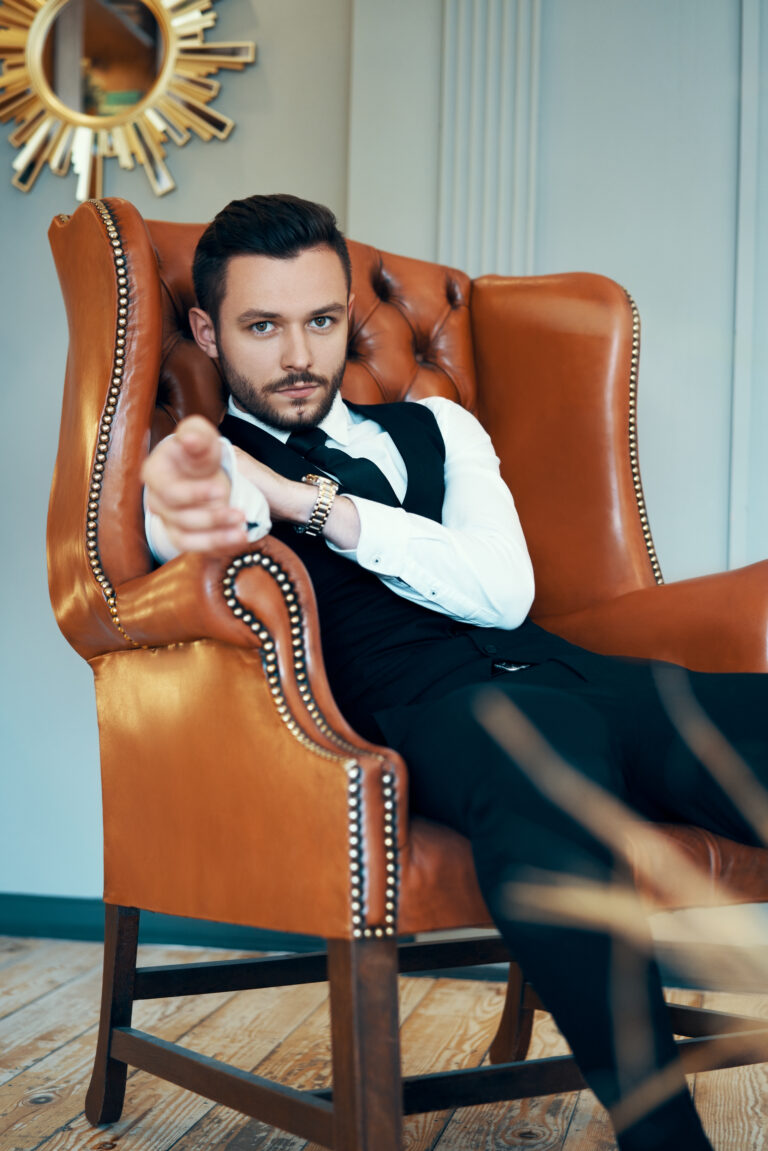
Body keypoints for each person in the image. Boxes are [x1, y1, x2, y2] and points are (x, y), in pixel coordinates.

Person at [143, 193, 767, 1151]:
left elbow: (502, 589)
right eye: (261, 327)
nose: (299, 356)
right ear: (207, 330)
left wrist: (308, 503)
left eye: (319, 320)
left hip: (581, 676)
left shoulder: (442, 429)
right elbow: (182, 521)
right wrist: (186, 496)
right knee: (538, 752)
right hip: (436, 711)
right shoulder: (211, 463)